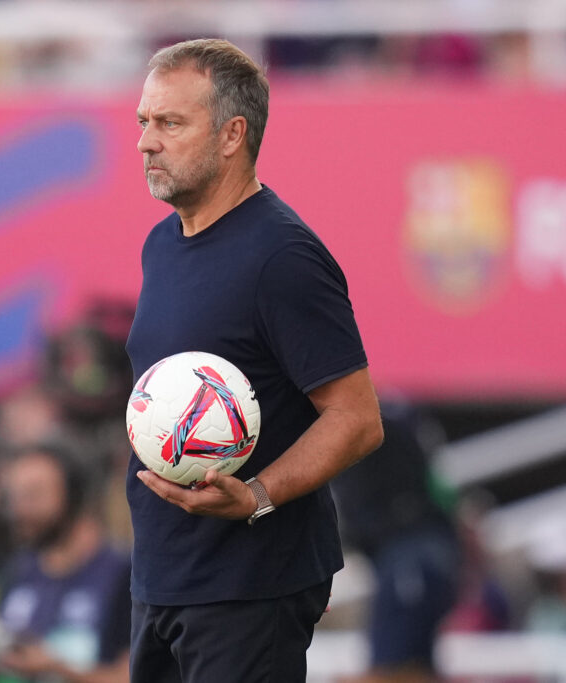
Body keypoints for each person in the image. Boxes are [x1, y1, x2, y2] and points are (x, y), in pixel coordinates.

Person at [126, 38, 384, 683]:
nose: (145, 143)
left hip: (248, 586)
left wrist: (259, 497)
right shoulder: (162, 244)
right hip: (163, 579)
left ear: (231, 134)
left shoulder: (283, 256)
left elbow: (356, 419)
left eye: (170, 123)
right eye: (143, 122)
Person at [330, 402, 461, 683]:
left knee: (395, 665)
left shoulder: (371, 422)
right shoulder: (398, 417)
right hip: (415, 552)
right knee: (418, 665)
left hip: (407, 555)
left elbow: (389, 673)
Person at [0, 443, 130, 683]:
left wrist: (57, 669)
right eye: (14, 497)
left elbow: (135, 676)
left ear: (74, 495)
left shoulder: (124, 575)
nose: (19, 510)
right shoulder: (18, 572)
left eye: (33, 495)